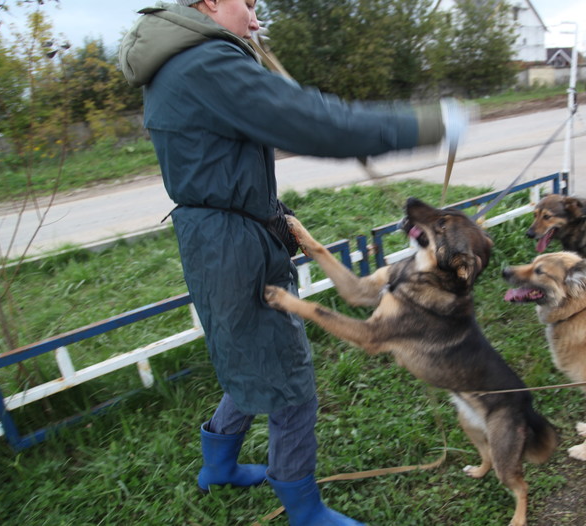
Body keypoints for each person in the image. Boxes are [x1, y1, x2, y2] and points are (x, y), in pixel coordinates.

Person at [119, 1, 469, 524]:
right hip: (231, 244)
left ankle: (218, 467)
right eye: (250, 5)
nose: (257, 21)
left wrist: (270, 214)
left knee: (247, 354)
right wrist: (426, 123)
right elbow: (312, 121)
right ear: (211, 1)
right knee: (288, 375)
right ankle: (303, 507)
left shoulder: (179, 60)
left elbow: (221, 158)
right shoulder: (205, 63)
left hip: (223, 237)